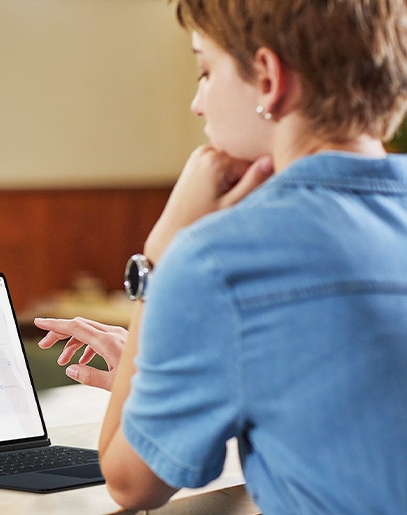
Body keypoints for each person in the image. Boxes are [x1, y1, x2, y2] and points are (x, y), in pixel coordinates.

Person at [35, 0, 407, 512]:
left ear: (269, 80)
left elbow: (129, 483)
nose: (197, 104)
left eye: (205, 72)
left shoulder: (217, 258)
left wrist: (161, 260)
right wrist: (160, 360)